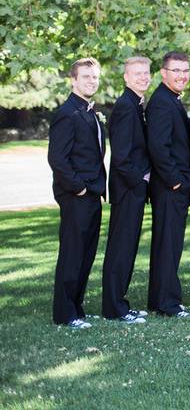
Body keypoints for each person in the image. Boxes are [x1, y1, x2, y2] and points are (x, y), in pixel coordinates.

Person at [48, 57, 106, 328]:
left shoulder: (89, 111)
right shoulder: (67, 113)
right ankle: (64, 314)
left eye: (95, 77)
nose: (91, 81)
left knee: (86, 254)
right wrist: (79, 188)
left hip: (92, 193)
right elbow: (57, 159)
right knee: (72, 254)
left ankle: (76, 307)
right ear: (73, 79)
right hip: (76, 196)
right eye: (86, 77)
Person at [146, 51, 190, 319]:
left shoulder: (171, 100)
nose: (182, 76)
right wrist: (176, 181)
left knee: (168, 244)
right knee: (168, 245)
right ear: (163, 73)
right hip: (169, 188)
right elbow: (158, 148)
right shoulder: (162, 103)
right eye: (176, 71)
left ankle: (159, 299)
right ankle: (168, 303)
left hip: (172, 186)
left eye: (185, 71)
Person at [101, 56, 152, 324]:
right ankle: (114, 308)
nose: (143, 77)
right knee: (120, 249)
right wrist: (140, 180)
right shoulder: (125, 107)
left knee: (127, 248)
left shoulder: (136, 104)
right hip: (127, 190)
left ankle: (119, 303)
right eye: (137, 73)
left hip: (132, 190)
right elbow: (121, 156)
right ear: (126, 77)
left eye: (146, 73)